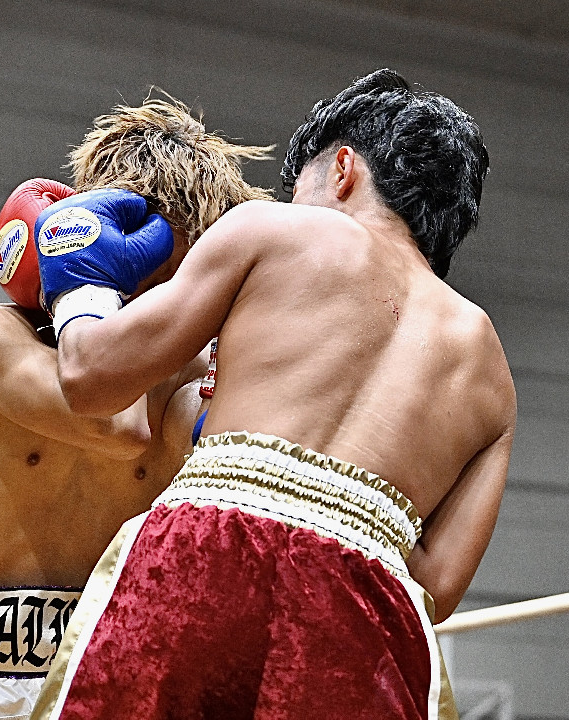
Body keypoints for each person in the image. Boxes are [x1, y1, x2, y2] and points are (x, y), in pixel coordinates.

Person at [31, 69, 516, 720]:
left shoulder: (272, 231)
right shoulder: (490, 366)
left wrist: (79, 286)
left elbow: (90, 376)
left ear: (342, 169)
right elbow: (436, 587)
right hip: (368, 618)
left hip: (206, 559)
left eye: (299, 188)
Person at [0, 95, 274, 720]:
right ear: (92, 225)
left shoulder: (200, 368)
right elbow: (115, 421)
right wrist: (90, 288)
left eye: (178, 274)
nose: (162, 294)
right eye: (142, 261)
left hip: (122, 681)